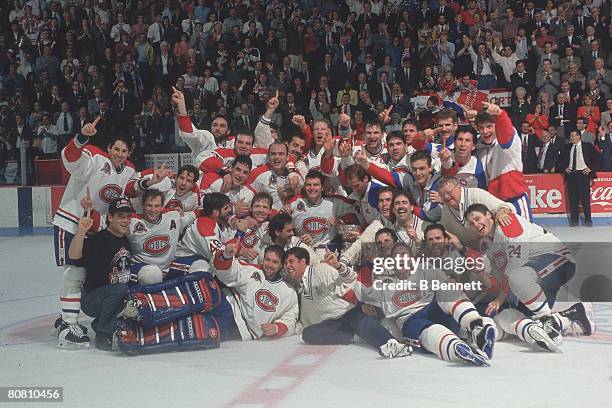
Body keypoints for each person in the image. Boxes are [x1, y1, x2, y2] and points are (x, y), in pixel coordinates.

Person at [52, 117, 136, 349]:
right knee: (74, 272)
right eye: (116, 149)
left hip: (90, 228)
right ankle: (69, 324)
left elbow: (134, 188)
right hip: (71, 222)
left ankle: (64, 317)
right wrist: (81, 138)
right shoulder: (94, 158)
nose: (119, 153)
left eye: (124, 150)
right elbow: (71, 160)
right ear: (109, 148)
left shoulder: (128, 171)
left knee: (85, 273)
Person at [465, 204, 593, 346]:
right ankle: (571, 316)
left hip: (557, 259)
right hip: (534, 272)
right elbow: (500, 277)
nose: (476, 224)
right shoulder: (487, 244)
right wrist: (481, 275)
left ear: (489, 215)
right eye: (472, 223)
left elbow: (515, 267)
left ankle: (546, 320)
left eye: (478, 218)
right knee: (527, 322)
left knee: (518, 278)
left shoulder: (507, 225)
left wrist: (500, 299)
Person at [282, 247, 413, 358]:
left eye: (291, 261)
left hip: (347, 313)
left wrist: (338, 266)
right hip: (331, 324)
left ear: (303, 261)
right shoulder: (299, 288)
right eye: (286, 263)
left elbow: (350, 278)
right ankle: (355, 335)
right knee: (308, 334)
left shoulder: (321, 269)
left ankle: (392, 343)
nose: (288, 266)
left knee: (362, 322)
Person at [70, 197, 133, 351]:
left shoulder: (126, 241)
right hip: (92, 298)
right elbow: (74, 255)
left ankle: (101, 323)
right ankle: (103, 334)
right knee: (120, 289)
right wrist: (81, 232)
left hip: (113, 295)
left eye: (127, 217)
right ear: (110, 217)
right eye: (120, 217)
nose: (125, 221)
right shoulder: (99, 239)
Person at [210, 243, 299, 340]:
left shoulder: (289, 292)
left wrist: (276, 328)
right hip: (229, 309)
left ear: (281, 265)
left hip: (244, 333)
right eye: (267, 260)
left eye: (274, 262)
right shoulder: (251, 270)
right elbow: (227, 272)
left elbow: (290, 319)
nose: (269, 265)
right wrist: (226, 256)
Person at [557, 130, 600, 227]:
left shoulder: (587, 146)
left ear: (578, 136)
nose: (571, 137)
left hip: (583, 175)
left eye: (573, 136)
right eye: (570, 136)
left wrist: (591, 169)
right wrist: (565, 168)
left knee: (585, 199)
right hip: (571, 175)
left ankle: (588, 220)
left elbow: (598, 158)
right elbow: (560, 160)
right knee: (573, 199)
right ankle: (574, 221)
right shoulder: (567, 147)